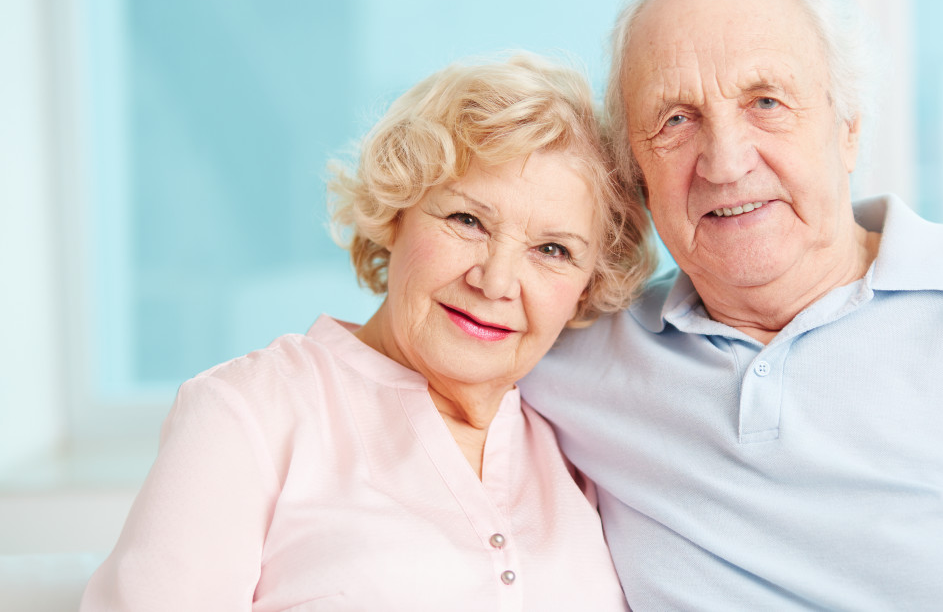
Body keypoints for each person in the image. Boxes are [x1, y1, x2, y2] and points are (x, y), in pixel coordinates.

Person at [519, 0, 943, 610]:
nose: (725, 161)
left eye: (766, 102)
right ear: (635, 173)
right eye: (676, 119)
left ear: (847, 127)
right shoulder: (566, 353)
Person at [80, 53, 656, 611]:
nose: (497, 280)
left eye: (552, 249)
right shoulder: (248, 413)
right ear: (395, 212)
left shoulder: (582, 443)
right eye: (467, 220)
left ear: (589, 284)